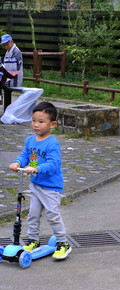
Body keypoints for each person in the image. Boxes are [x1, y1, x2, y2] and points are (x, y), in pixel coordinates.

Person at [9, 101, 71, 260]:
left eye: (41, 121)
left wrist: (36, 169)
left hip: (51, 187)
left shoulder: (52, 143)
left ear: (52, 124)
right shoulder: (30, 140)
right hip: (36, 185)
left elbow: (53, 164)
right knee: (33, 214)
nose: (36, 124)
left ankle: (63, 243)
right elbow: (25, 156)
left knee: (52, 215)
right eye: (34, 120)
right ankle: (33, 240)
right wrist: (18, 163)